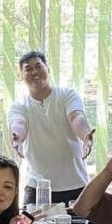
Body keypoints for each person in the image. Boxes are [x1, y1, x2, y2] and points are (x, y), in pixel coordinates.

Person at [7, 50, 92, 204]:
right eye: (28, 69)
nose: (34, 72)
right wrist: (17, 138)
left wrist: (85, 135)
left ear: (48, 69)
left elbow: (76, 117)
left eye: (38, 66)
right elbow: (19, 124)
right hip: (37, 186)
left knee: (79, 221)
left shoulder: (67, 95)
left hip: (75, 184)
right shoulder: (19, 105)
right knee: (28, 221)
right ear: (21, 76)